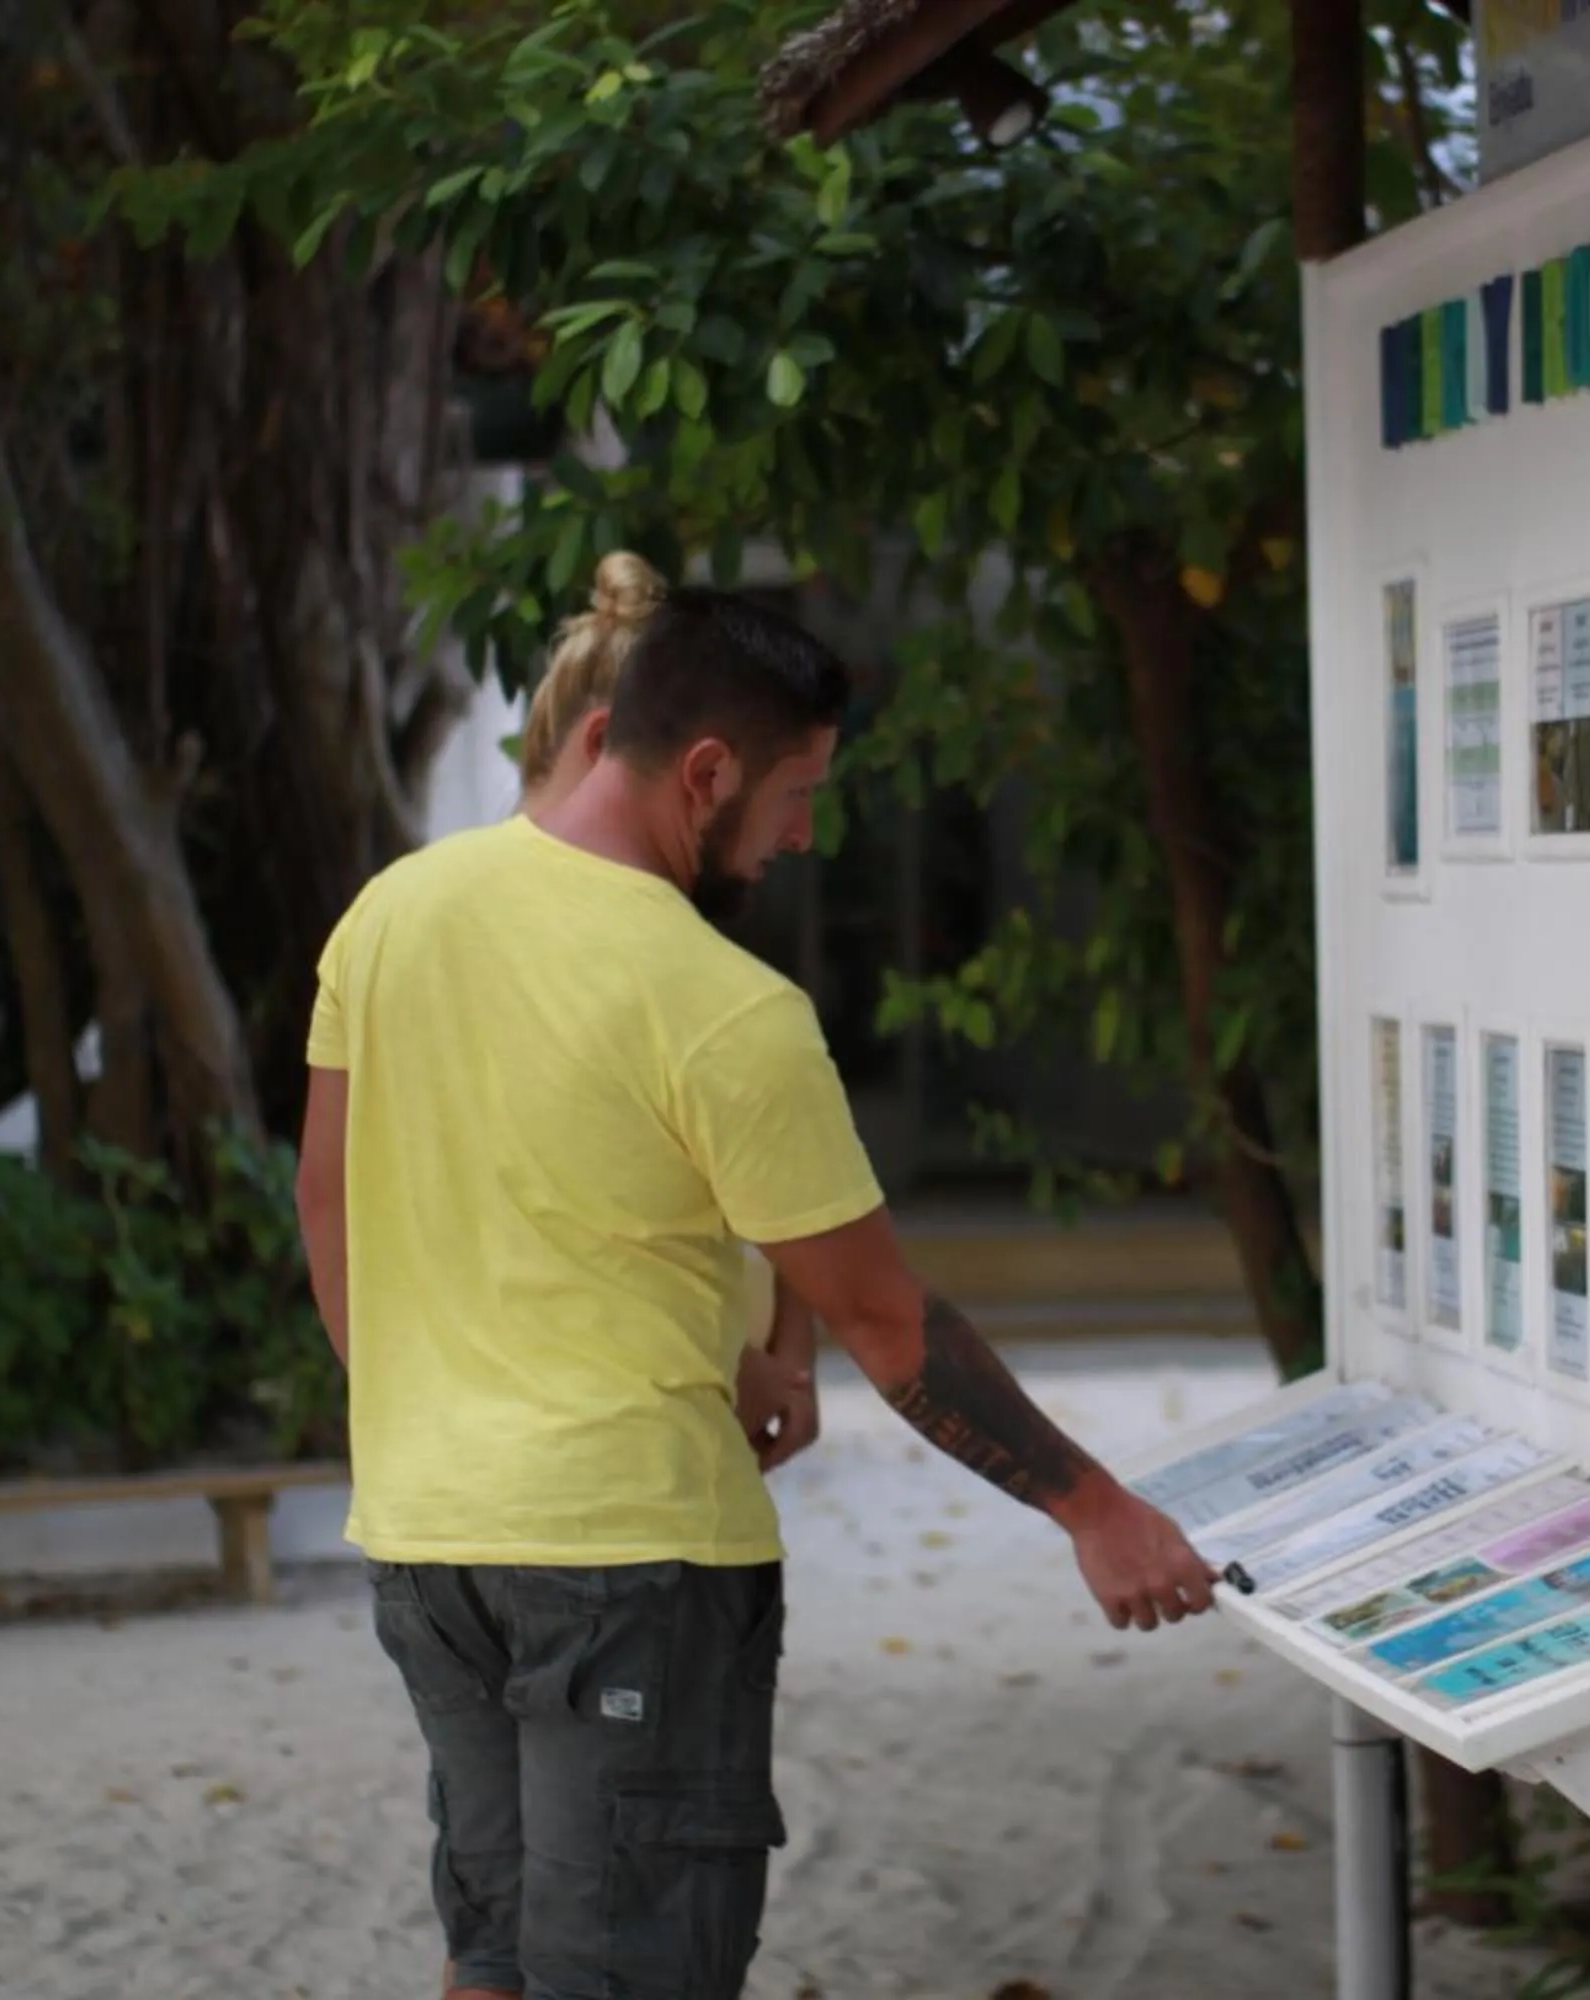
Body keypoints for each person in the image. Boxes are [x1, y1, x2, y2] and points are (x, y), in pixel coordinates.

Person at [294, 585, 1217, 2000]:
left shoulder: (390, 914)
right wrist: (1095, 1507)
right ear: (705, 772)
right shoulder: (725, 1009)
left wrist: (422, 1416)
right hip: (630, 1566)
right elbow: (886, 1322)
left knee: (493, 1950)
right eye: (796, 795)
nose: (802, 835)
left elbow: (329, 1197)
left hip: (426, 1538)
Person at [513, 552, 819, 1476]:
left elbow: (790, 1196)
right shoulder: (478, 935)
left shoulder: (679, 944)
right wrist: (741, 1361)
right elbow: (550, 1236)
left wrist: (785, 1357)